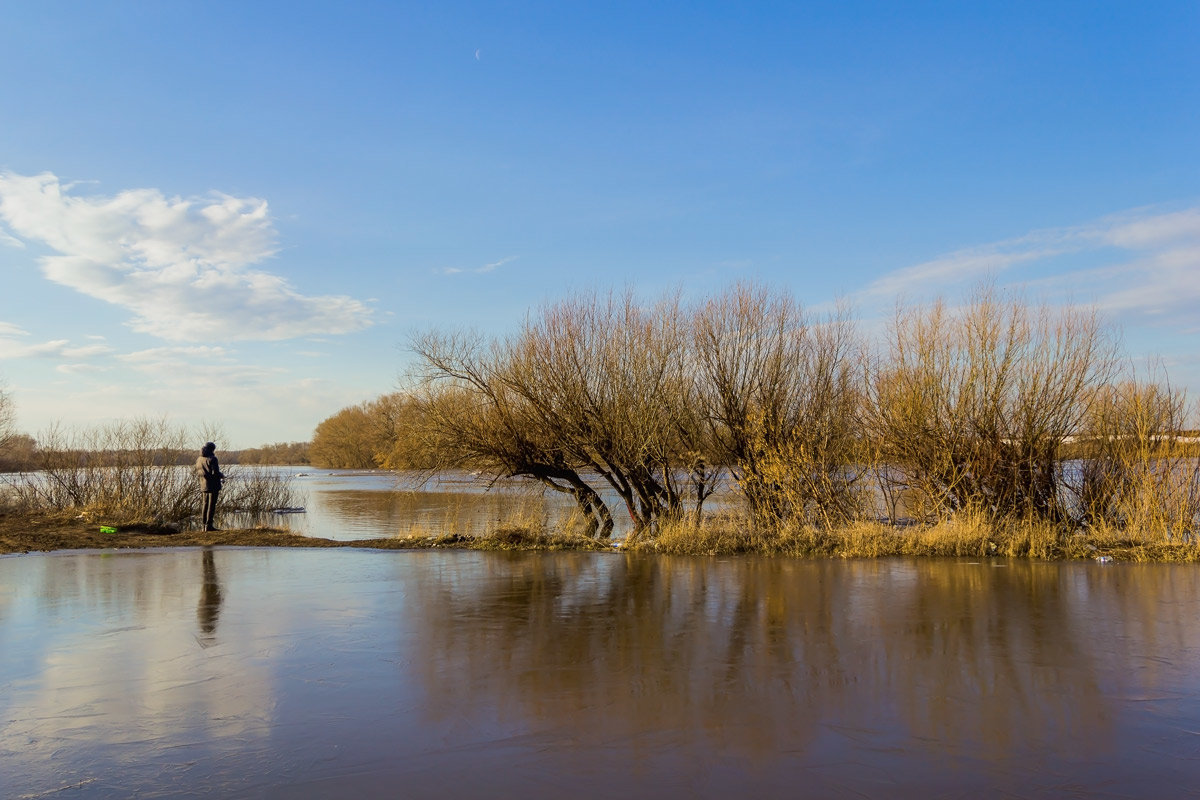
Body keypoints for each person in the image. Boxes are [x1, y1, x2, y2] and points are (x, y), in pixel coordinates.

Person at [195, 442, 225, 531]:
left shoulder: (199, 459)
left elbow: (199, 471)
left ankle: (204, 525)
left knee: (205, 504)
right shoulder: (212, 458)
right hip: (213, 485)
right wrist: (222, 476)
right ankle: (209, 525)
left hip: (203, 484)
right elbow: (215, 472)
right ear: (212, 449)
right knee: (211, 505)